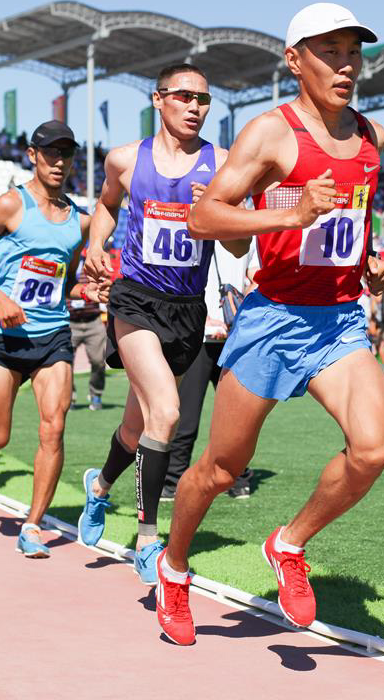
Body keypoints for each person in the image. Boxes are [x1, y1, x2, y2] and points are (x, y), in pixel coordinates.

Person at [156, 3, 384, 645]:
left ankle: (288, 544)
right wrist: (283, 220)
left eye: (353, 52)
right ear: (295, 61)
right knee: (220, 469)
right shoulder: (270, 134)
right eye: (329, 52)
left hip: (340, 321)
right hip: (273, 320)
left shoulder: (372, 138)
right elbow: (205, 218)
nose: (345, 65)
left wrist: (369, 260)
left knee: (372, 450)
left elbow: (353, 217)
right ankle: (173, 568)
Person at [78, 63, 241, 586]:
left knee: (136, 428)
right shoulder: (125, 160)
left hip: (189, 310)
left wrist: (214, 214)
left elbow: (239, 244)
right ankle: (148, 539)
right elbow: (106, 207)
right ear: (158, 99)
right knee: (167, 414)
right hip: (136, 302)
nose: (195, 107)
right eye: (185, 96)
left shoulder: (223, 166)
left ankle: (99, 488)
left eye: (205, 100)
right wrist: (97, 245)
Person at [0, 120, 110, 558]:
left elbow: (67, 284)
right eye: (51, 153)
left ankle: (33, 524)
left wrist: (88, 291)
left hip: (52, 336)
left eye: (67, 154)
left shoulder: (79, 222)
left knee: (54, 427)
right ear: (33, 155)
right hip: (4, 338)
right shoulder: (8, 205)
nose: (59, 162)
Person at [162, 234, 258, 501]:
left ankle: (237, 475)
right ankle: (172, 479)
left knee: (238, 418)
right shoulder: (194, 230)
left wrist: (239, 312)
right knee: (186, 417)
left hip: (235, 338)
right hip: (197, 338)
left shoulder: (246, 228)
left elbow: (257, 277)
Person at [69, 261, 108, 410]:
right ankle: (69, 396)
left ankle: (96, 394)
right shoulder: (65, 262)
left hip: (93, 321)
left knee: (98, 361)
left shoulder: (91, 266)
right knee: (65, 364)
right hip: (70, 322)